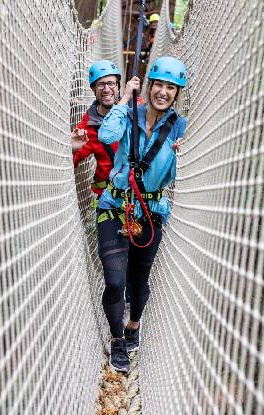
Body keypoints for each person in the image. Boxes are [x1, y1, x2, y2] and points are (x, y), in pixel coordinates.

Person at [97, 56, 187, 373]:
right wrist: (124, 98)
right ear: (148, 86)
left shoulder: (180, 127)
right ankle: (118, 340)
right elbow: (107, 136)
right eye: (158, 85)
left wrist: (180, 154)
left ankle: (134, 324)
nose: (163, 92)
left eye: (170, 87)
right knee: (114, 280)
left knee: (138, 281)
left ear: (177, 93)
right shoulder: (128, 113)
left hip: (151, 211)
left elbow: (176, 175)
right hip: (116, 208)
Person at [71, 60, 122, 198]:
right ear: (93, 89)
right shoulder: (88, 126)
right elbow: (70, 161)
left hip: (140, 194)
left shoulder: (135, 110)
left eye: (111, 83)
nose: (106, 89)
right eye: (101, 84)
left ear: (118, 86)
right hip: (109, 199)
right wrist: (71, 148)